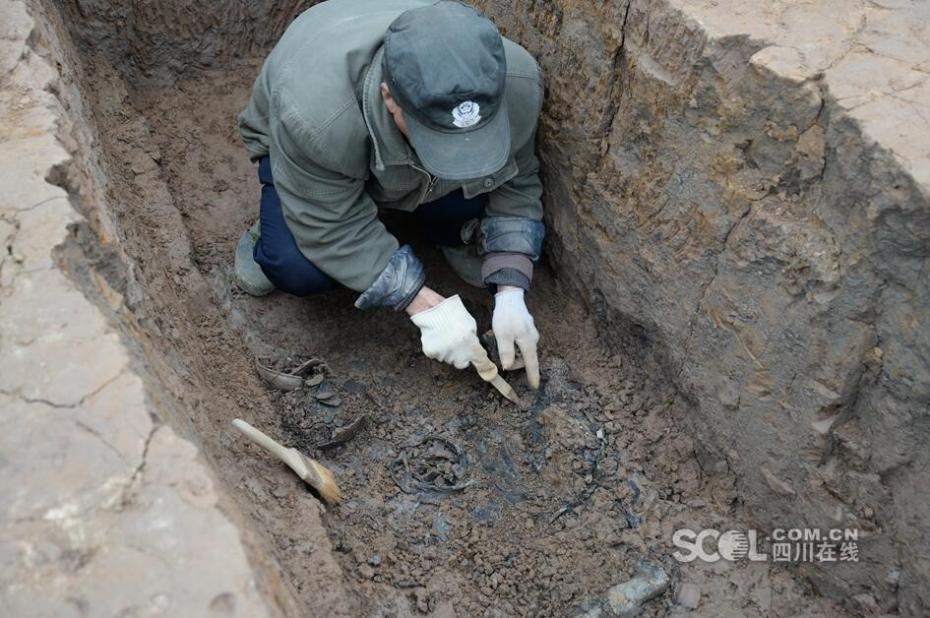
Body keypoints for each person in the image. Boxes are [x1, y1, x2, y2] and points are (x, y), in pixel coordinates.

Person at [236, 0, 544, 388]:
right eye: (438, 139)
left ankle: (446, 229)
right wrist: (421, 302)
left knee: (463, 197)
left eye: (470, 140)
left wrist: (511, 289)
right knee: (296, 266)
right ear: (389, 98)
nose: (456, 154)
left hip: (400, 164)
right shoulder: (315, 118)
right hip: (309, 155)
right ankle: (276, 220)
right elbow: (331, 227)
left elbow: (516, 178)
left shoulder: (513, 81)